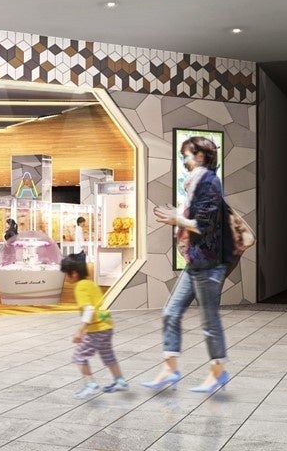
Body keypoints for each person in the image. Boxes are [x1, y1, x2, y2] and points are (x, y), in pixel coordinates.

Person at [147, 136, 235, 394]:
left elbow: (204, 225)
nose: (184, 161)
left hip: (208, 262)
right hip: (196, 260)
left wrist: (178, 219)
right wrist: (179, 216)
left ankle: (218, 372)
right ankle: (170, 369)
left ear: (200, 156)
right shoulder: (195, 183)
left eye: (186, 155)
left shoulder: (209, 181)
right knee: (170, 312)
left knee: (209, 321)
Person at [62, 253, 126, 398]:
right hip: (106, 325)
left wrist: (80, 330)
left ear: (74, 273)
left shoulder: (80, 287)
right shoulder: (91, 284)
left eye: (66, 273)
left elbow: (89, 309)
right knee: (108, 354)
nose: (66, 277)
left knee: (79, 356)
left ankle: (90, 384)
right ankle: (120, 381)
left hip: (96, 329)